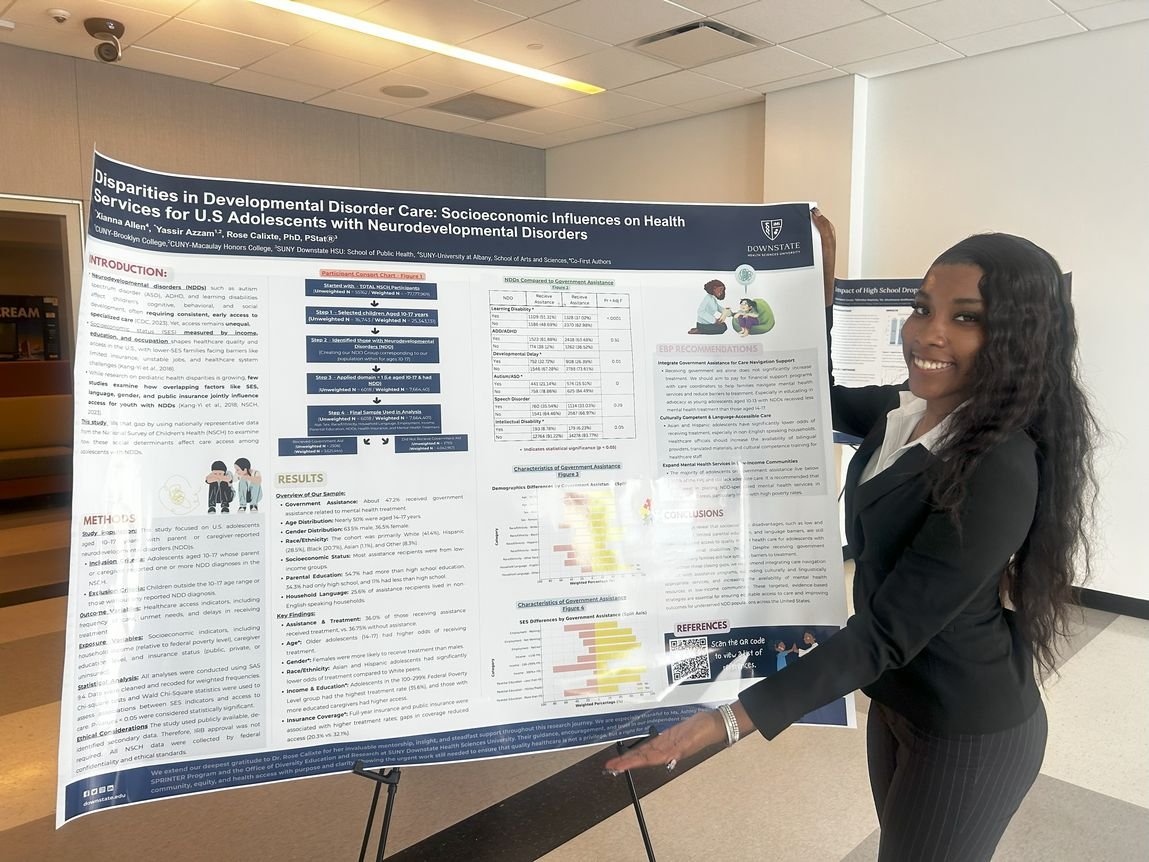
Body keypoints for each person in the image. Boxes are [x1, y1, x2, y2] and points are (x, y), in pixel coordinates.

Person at [607, 208, 1097, 861]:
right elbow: (808, 389)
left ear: (1017, 337)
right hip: (895, 701)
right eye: (922, 308)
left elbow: (883, 633)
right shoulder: (909, 408)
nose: (926, 332)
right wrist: (817, 288)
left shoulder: (1000, 466)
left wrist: (725, 721)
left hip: (966, 723)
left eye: (965, 317)